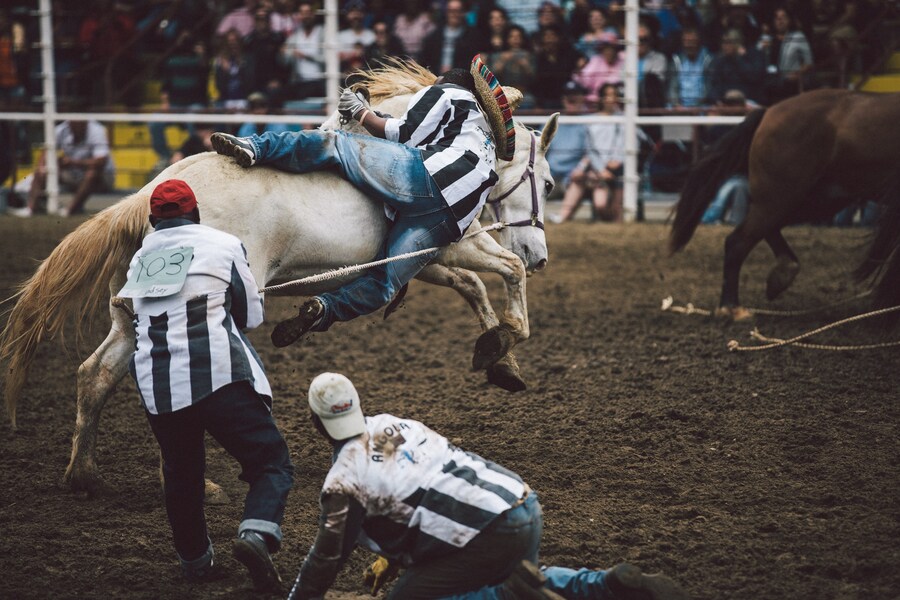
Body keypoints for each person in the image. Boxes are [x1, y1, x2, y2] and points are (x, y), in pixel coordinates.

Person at [286, 372, 689, 600]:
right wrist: (395, 558)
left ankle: (508, 597)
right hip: (520, 502)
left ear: (315, 423)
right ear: (356, 404)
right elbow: (410, 483)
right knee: (531, 578)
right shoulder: (393, 425)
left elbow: (326, 558)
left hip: (486, 532)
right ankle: (606, 585)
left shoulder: (343, 480)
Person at [210, 59, 511, 347]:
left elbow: (400, 134)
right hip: (454, 217)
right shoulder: (479, 131)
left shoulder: (445, 92)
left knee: (336, 144)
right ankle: (324, 309)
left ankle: (254, 147)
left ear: (445, 80)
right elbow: (415, 136)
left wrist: (359, 112)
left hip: (430, 180)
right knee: (385, 282)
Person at [119, 179, 294, 591]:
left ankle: (196, 562)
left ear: (152, 221)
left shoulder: (141, 258)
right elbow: (251, 319)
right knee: (271, 462)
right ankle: (256, 533)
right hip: (218, 376)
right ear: (196, 212)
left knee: (182, 475)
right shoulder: (225, 244)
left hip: (158, 382)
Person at [11, 117, 115, 217]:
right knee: (42, 170)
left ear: (85, 122)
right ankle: (30, 209)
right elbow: (46, 151)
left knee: (92, 173)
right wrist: (41, 169)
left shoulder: (97, 130)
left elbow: (101, 161)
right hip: (74, 174)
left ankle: (70, 210)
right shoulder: (61, 129)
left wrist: (73, 162)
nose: (76, 125)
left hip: (102, 178)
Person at [552, 83, 625, 224]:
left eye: (614, 95)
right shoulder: (591, 120)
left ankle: (617, 224)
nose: (610, 99)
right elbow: (590, 150)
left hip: (618, 170)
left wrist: (616, 162)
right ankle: (562, 217)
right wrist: (600, 170)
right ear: (601, 98)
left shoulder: (624, 120)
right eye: (607, 95)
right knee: (599, 203)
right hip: (598, 170)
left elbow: (625, 145)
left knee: (611, 208)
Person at [759, 6, 814, 104]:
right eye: (777, 18)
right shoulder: (767, 38)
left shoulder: (798, 37)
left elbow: (808, 63)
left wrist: (797, 73)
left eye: (784, 17)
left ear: (789, 20)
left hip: (789, 80)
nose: (780, 21)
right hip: (769, 79)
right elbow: (756, 57)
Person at [544, 80, 590, 193]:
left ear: (583, 98)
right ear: (562, 99)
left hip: (573, 178)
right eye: (567, 95)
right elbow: (539, 147)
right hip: (549, 175)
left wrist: (581, 168)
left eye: (575, 94)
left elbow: (591, 153)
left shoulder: (589, 121)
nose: (571, 98)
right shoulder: (554, 120)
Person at [281, 1, 325, 100]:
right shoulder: (295, 36)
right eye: (302, 13)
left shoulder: (323, 32)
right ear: (299, 16)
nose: (306, 16)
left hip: (320, 81)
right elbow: (285, 60)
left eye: (308, 12)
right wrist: (283, 53)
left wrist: (305, 56)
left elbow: (328, 58)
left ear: (313, 14)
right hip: (300, 81)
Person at [667, 26, 712, 109]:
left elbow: (708, 88)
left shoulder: (707, 60)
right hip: (680, 107)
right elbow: (672, 88)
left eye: (692, 41)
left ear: (699, 42)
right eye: (687, 41)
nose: (690, 45)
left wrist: (696, 107)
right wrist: (677, 105)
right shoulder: (677, 60)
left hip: (701, 106)